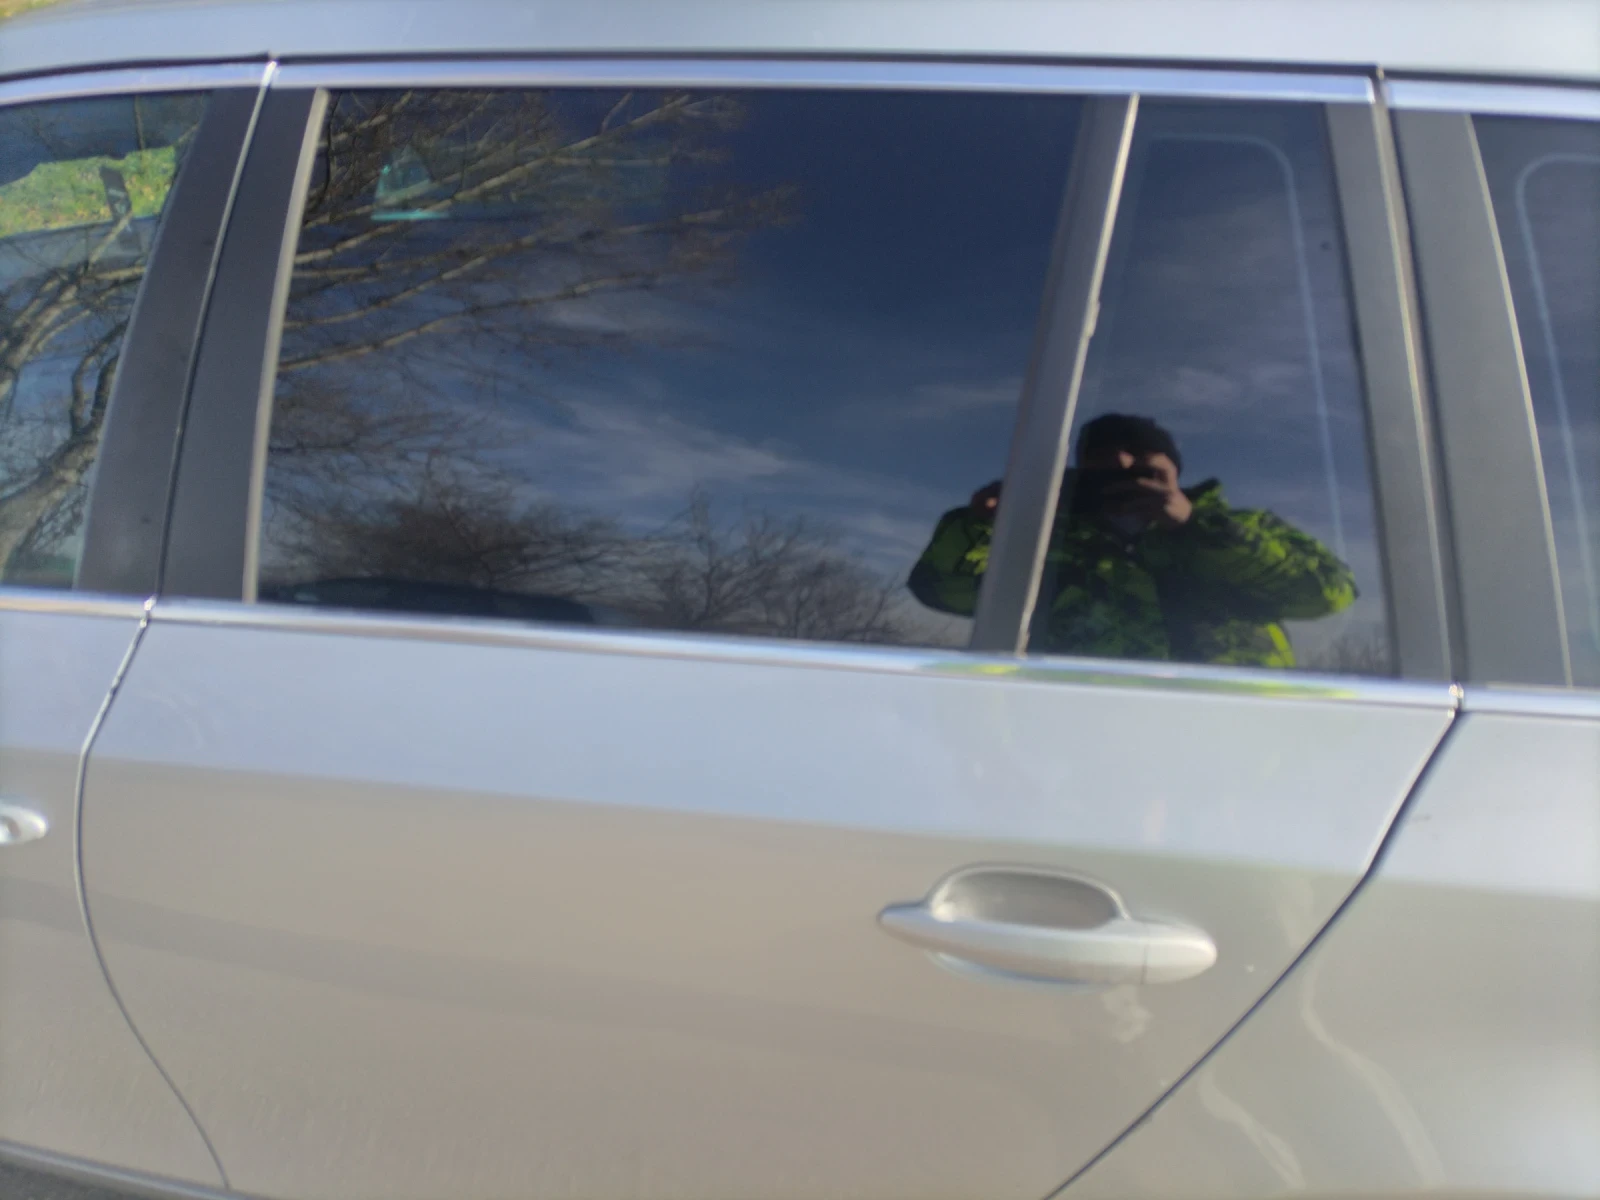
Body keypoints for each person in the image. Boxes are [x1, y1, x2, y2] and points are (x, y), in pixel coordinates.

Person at [909, 412, 1356, 667]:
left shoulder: (1242, 528)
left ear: (1174, 469)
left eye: (1139, 453)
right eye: (1101, 455)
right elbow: (943, 591)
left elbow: (1327, 594)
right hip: (1078, 742)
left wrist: (1194, 528)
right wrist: (982, 525)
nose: (1121, 462)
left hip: (1237, 743)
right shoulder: (1046, 537)